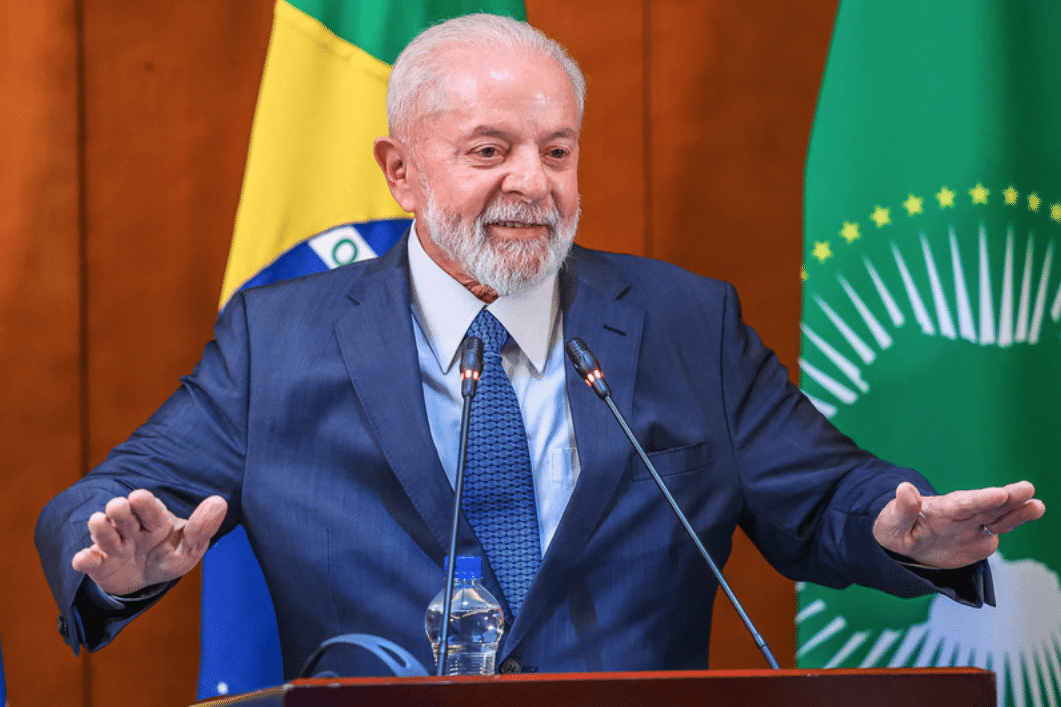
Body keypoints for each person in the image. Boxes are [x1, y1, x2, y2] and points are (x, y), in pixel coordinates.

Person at [36, 14, 1044, 679]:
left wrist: (906, 532)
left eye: (556, 150)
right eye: (489, 150)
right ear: (398, 172)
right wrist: (120, 558)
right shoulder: (282, 337)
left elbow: (825, 491)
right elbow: (105, 502)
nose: (533, 182)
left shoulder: (682, 320)